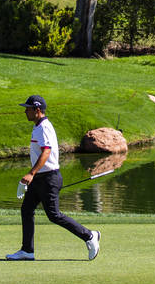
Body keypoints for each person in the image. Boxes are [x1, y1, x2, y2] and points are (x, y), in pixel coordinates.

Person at [6, 95, 100, 261]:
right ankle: (27, 250)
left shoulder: (44, 128)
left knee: (54, 215)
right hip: (40, 179)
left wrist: (31, 173)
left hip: (48, 178)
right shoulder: (38, 126)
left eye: (28, 108)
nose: (25, 111)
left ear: (37, 110)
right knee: (26, 210)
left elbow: (46, 152)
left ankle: (89, 236)